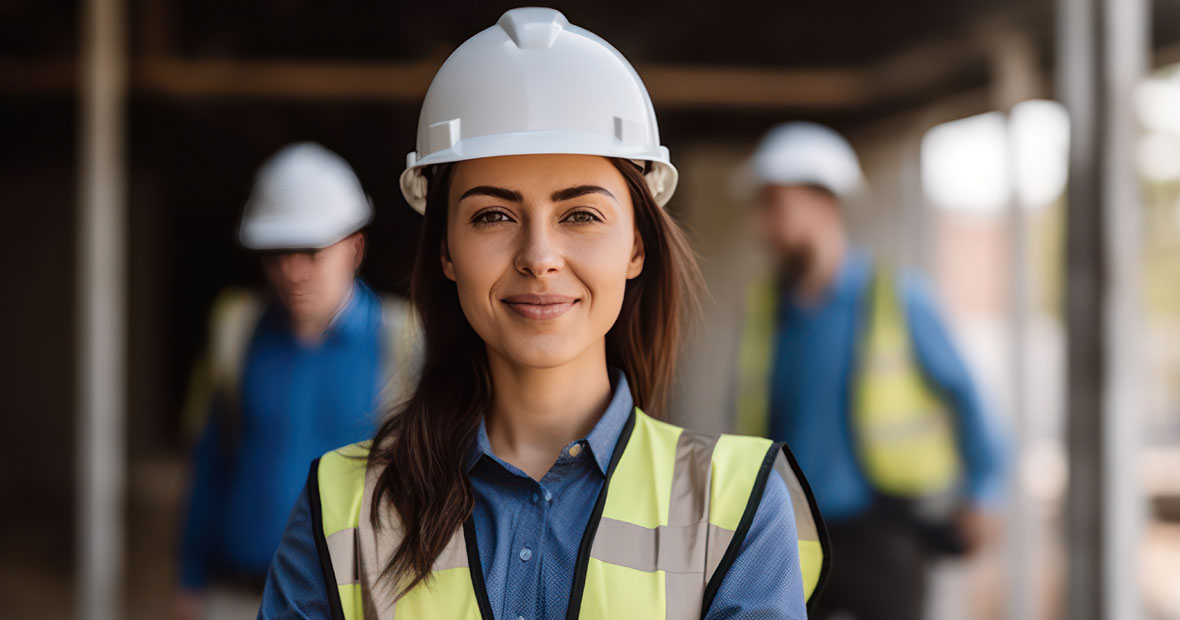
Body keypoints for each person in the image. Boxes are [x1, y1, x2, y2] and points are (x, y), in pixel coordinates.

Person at [259, 8, 828, 620]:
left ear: (637, 246)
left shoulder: (737, 502)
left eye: (580, 214)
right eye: (492, 216)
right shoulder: (339, 505)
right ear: (446, 251)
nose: (539, 257)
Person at [733, 122, 1006, 620]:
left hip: (885, 532)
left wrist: (983, 490)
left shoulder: (898, 299)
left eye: (775, 204)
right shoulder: (772, 309)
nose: (762, 225)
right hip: (790, 534)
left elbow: (967, 394)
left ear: (824, 204)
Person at [173, 143, 417, 620]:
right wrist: (189, 580)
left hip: (351, 603)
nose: (292, 271)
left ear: (354, 248)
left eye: (310, 250)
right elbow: (208, 465)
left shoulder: (408, 343)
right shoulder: (236, 331)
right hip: (237, 594)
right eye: (277, 252)